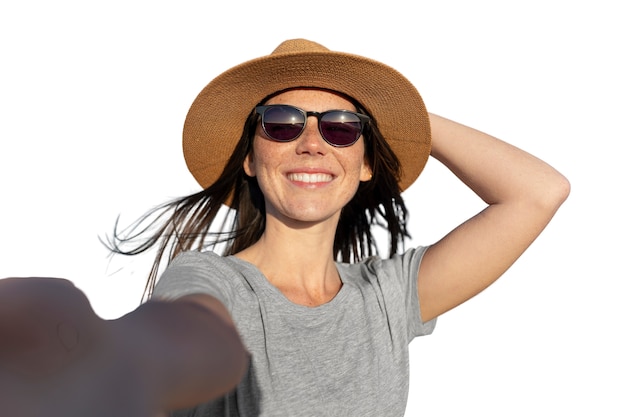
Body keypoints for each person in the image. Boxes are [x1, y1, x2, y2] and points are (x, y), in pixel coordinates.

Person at [0, 39, 570, 416]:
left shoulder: (388, 299)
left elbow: (538, 192)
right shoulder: (213, 283)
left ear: (367, 162)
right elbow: (181, 334)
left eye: (343, 127)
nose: (312, 142)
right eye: (280, 123)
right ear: (250, 157)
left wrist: (398, 112)